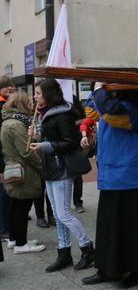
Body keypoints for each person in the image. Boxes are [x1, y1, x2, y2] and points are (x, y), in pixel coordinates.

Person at [82, 84, 138, 288]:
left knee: (134, 226)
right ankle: (109, 269)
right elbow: (92, 112)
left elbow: (113, 115)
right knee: (110, 226)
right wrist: (98, 91)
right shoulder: (109, 99)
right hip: (115, 172)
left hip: (134, 173)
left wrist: (99, 89)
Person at [27, 79, 95, 271]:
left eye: (38, 93)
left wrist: (44, 145)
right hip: (50, 166)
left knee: (64, 214)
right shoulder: (45, 113)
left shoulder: (62, 115)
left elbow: (70, 142)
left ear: (48, 94)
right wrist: (37, 137)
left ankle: (87, 248)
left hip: (62, 167)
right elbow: (51, 139)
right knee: (57, 214)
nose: (35, 96)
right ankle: (63, 252)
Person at [1, 91, 46, 254]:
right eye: (28, 102)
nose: (31, 104)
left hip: (13, 168)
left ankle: (14, 239)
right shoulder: (17, 124)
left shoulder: (8, 121)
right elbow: (26, 151)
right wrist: (42, 166)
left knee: (14, 206)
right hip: (24, 171)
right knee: (22, 208)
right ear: (21, 105)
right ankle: (21, 243)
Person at [0, 75, 15, 243]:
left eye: (11, 86)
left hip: (5, 155)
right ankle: (3, 229)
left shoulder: (6, 104)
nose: (10, 88)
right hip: (2, 157)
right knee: (4, 194)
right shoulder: (2, 106)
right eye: (6, 86)